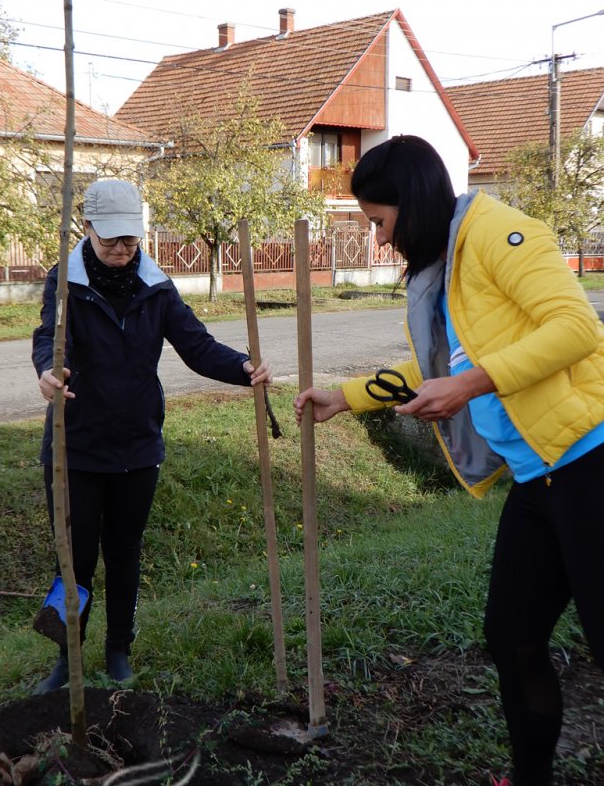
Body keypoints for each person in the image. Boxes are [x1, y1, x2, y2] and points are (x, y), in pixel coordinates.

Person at [294, 135, 604, 786]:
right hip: (537, 477)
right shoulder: (446, 266)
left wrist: (469, 386)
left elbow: (577, 328)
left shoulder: (500, 234)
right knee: (513, 639)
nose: (379, 241)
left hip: (590, 461)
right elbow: (442, 367)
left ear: (413, 202)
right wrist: (345, 399)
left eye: (379, 222)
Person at [31, 179, 271, 693]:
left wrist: (243, 367)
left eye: (131, 240)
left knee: (124, 552)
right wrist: (50, 372)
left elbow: (197, 345)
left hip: (137, 446)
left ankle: (118, 649)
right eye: (111, 239)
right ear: (88, 228)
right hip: (75, 447)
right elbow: (52, 338)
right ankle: (67, 660)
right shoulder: (64, 283)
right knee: (72, 558)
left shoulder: (156, 289)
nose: (121, 250)